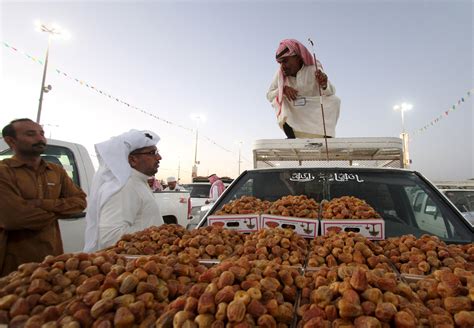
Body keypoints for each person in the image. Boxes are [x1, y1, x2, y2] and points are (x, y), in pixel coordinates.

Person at [0, 118, 87, 276]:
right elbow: (14, 218)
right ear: (10, 140)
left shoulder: (56, 171)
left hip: (52, 260)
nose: (40, 138)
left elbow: (80, 202)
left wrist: (40, 203)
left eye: (41, 133)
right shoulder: (4, 172)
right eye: (31, 134)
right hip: (14, 264)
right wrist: (60, 210)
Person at [83, 129, 164, 252]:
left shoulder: (138, 182)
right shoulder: (125, 186)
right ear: (132, 160)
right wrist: (157, 236)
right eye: (152, 153)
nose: (159, 157)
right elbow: (110, 237)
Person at [266, 39, 341, 139]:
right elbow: (269, 95)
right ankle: (291, 136)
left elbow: (331, 92)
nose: (282, 66)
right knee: (279, 100)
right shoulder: (280, 74)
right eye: (280, 63)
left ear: (297, 58)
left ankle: (325, 135)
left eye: (285, 61)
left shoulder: (313, 69)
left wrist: (324, 84)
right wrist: (282, 90)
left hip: (313, 110)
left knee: (334, 101)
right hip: (295, 110)